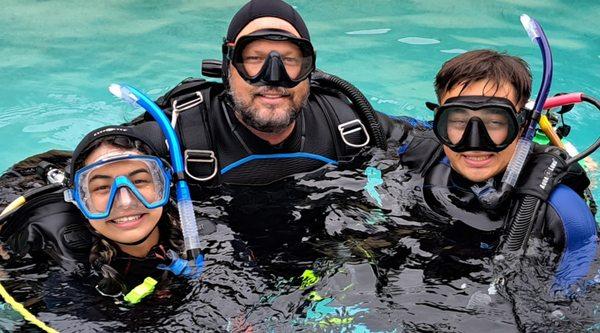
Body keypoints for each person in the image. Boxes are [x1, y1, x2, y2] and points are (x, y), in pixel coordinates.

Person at [132, 0, 406, 186]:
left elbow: (431, 140)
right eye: (254, 58)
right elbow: (103, 159)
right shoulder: (179, 132)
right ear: (228, 67)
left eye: (288, 60)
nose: (273, 77)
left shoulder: (346, 121)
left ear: (310, 69)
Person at [394, 50, 597, 290]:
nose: (475, 141)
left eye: (495, 122)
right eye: (458, 121)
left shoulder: (564, 213)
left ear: (523, 127)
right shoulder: (419, 149)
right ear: (440, 122)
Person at [1, 124, 202, 304]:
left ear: (163, 185)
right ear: (79, 199)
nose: (126, 202)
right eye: (102, 188)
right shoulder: (56, 264)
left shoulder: (205, 234)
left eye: (140, 181)